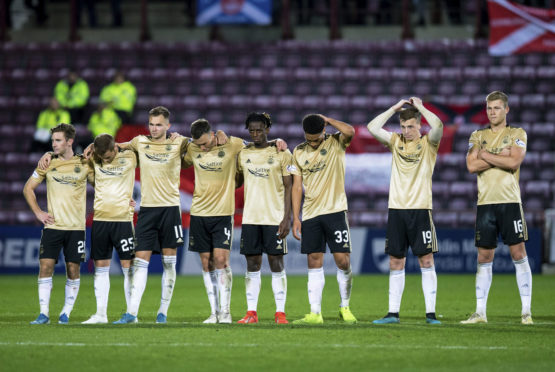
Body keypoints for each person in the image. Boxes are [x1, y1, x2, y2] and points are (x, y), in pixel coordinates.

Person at [367, 97, 444, 325]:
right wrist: (393, 108)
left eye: (411, 126)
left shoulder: (430, 142)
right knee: (395, 261)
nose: (406, 130)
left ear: (420, 125)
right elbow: (372, 127)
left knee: (426, 260)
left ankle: (430, 314)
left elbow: (439, 125)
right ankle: (392, 313)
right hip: (397, 209)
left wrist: (420, 107)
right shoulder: (395, 141)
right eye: (403, 126)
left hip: (420, 209)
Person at [109, 106, 188, 324]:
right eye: (151, 124)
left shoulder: (179, 142)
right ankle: (132, 313)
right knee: (139, 261)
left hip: (171, 209)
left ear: (168, 126)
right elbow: (115, 147)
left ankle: (162, 312)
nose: (154, 128)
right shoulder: (139, 142)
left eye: (159, 125)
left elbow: (204, 144)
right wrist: (92, 147)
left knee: (169, 263)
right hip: (147, 210)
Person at [462, 91, 533, 325]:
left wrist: (485, 154)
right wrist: (498, 154)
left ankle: (526, 312)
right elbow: (471, 166)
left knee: (518, 253)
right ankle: (480, 312)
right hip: (485, 204)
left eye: (497, 108)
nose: (492, 112)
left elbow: (514, 161)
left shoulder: (516, 133)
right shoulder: (477, 135)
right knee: (484, 256)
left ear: (506, 110)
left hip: (510, 202)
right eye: (489, 108)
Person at [23, 123, 93, 325]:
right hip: (52, 227)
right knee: (45, 267)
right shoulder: (47, 162)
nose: (53, 144)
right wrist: (38, 213)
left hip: (75, 228)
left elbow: (101, 184)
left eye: (58, 140)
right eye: (52, 140)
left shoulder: (84, 163)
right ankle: (43, 313)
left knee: (73, 270)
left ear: (69, 141)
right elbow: (28, 189)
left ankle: (66, 313)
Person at [290, 114, 357, 325]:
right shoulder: (298, 151)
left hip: (335, 210)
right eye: (308, 139)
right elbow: (297, 185)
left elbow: (351, 131)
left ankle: (344, 306)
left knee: (342, 260)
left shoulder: (336, 141)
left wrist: (328, 119)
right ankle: (315, 313)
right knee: (313, 261)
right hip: (310, 213)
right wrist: (296, 217)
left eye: (316, 138)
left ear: (323, 131)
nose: (312, 142)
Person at [182, 119, 245, 324]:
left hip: (223, 214)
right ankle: (214, 311)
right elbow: (178, 157)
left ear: (211, 134)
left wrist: (278, 141)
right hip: (199, 213)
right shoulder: (192, 147)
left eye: (204, 143)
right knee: (206, 263)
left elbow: (254, 147)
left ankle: (225, 311)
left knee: (221, 260)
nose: (201, 147)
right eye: (197, 144)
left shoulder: (231, 143)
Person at [235, 112, 292, 324]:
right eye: (252, 130)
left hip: (274, 217)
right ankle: (251, 312)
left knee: (276, 263)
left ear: (267, 129)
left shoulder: (282, 153)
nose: (256, 133)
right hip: (250, 217)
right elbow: (237, 181)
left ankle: (280, 313)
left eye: (259, 129)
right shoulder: (242, 153)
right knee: (252, 264)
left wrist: (287, 218)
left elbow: (289, 187)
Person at [82, 134, 137, 323]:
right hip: (100, 219)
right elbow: (91, 179)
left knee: (128, 268)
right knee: (100, 268)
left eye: (108, 156)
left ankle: (132, 313)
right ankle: (101, 314)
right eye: (102, 158)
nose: (106, 160)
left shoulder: (130, 156)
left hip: (123, 220)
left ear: (115, 149)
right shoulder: (94, 160)